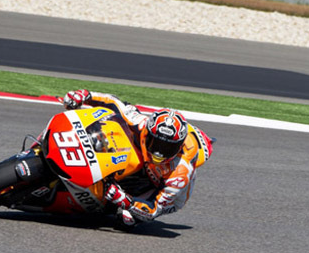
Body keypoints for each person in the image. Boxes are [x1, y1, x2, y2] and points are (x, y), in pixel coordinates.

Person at [62, 89, 212, 227]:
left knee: (127, 218)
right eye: (156, 143)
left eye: (167, 148)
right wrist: (86, 95)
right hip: (146, 166)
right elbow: (114, 103)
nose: (159, 153)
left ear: (178, 147)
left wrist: (126, 201)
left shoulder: (179, 174)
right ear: (147, 133)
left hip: (159, 189)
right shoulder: (142, 123)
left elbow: (154, 209)